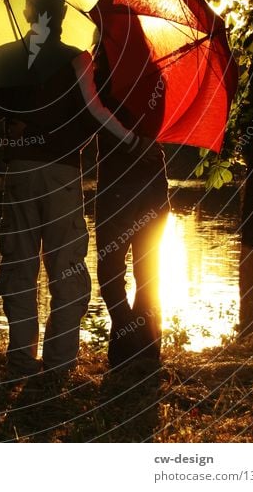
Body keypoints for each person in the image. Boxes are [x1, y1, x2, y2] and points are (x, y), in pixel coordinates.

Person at [0, 0, 145, 380]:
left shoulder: (1, 57)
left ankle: (21, 363)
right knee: (67, 270)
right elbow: (95, 113)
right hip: (61, 176)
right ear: (62, 17)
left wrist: (17, 117)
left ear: (26, 12)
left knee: (19, 268)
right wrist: (132, 140)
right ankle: (57, 367)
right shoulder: (77, 61)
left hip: (19, 172)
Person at [92, 45, 170, 368]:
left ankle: (129, 344)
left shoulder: (100, 78)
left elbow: (93, 121)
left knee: (110, 270)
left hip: (119, 185)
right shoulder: (157, 74)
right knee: (147, 270)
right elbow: (161, 126)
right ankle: (146, 350)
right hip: (154, 180)